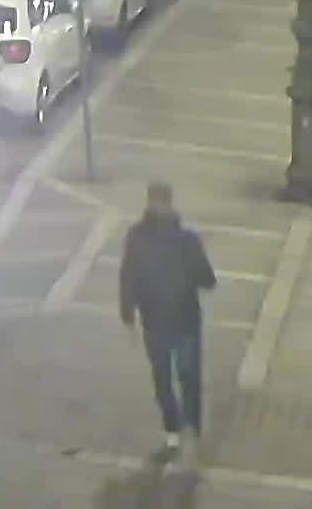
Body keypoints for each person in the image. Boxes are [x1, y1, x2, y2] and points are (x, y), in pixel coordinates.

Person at [118, 182, 217, 459]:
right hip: (185, 319)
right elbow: (207, 279)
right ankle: (191, 428)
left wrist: (128, 316)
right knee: (189, 377)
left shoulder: (136, 237)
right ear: (171, 203)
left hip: (154, 321)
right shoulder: (187, 240)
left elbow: (128, 278)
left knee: (162, 379)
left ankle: (172, 431)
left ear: (148, 203)